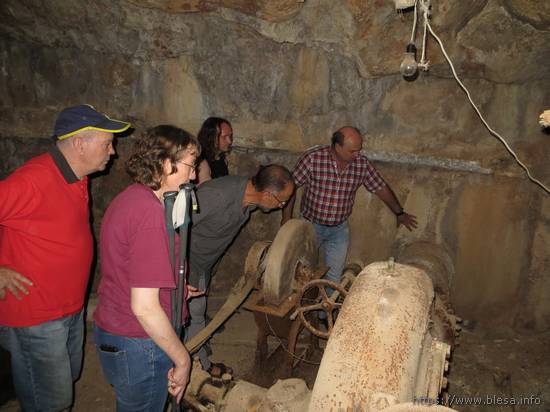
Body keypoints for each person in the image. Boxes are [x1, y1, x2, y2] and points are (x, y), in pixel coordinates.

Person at [0, 104, 130, 411]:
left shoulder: (75, 174)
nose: (112, 152)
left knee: (65, 381)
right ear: (79, 144)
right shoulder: (33, 180)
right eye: (107, 143)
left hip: (69, 309)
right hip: (37, 316)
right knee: (52, 402)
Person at [93, 125, 203, 411]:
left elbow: (129, 270)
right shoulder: (150, 217)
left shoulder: (133, 197)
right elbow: (144, 307)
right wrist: (183, 359)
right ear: (167, 165)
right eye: (191, 167)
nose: (194, 175)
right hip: (140, 341)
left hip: (119, 329)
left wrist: (173, 290)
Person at [186, 165, 294, 377]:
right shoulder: (216, 196)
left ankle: (192, 350)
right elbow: (170, 226)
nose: (282, 206)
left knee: (191, 317)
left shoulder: (251, 198)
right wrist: (176, 272)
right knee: (195, 315)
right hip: (188, 263)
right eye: (281, 201)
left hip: (205, 263)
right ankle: (201, 368)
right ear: (267, 194)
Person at [281, 126, 417, 291]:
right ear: (337, 147)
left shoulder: (361, 164)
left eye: (359, 150)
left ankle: (327, 314)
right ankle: (301, 307)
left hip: (339, 230)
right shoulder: (313, 159)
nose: (357, 155)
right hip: (311, 226)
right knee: (302, 272)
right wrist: (286, 219)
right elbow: (289, 188)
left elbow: (380, 187)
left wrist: (399, 212)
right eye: (353, 151)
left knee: (334, 278)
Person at [196, 117, 233, 184]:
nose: (229, 141)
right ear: (211, 137)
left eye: (230, 136)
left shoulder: (220, 156)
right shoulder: (202, 162)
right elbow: (204, 191)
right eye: (224, 137)